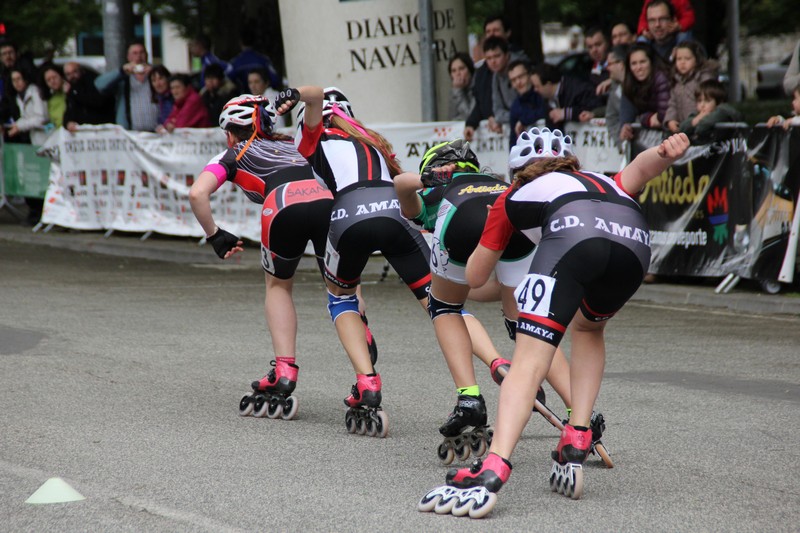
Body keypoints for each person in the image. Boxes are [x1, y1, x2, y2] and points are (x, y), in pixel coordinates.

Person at [420, 128, 690, 515]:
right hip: (633, 245)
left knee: (528, 360)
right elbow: (641, 170)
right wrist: (664, 152)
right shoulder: (597, 180)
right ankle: (577, 433)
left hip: (573, 240)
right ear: (571, 163)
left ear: (516, 171)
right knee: (589, 328)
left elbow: (475, 278)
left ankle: (494, 466)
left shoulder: (512, 194)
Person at [393, 139, 573, 464]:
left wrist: (423, 181)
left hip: (460, 217)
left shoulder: (435, 189)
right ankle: (580, 414)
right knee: (533, 328)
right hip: (512, 215)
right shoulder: (496, 182)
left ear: (433, 167)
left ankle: (469, 398)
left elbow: (399, 186)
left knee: (444, 307)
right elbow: (493, 285)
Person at [275, 86, 432, 438]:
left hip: (347, 214)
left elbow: (315, 96)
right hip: (393, 212)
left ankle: (367, 382)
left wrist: (295, 94)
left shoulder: (314, 138)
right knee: (444, 308)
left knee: (339, 297)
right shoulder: (372, 140)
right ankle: (495, 367)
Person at [189, 95, 334, 419]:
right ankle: (366, 370)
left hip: (282, 203)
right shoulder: (293, 142)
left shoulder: (234, 152)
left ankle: (285, 371)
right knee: (344, 288)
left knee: (278, 286)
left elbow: (197, 193)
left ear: (230, 133)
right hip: (327, 200)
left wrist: (215, 235)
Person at [464, 15, 523, 142]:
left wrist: (500, 117)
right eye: (488, 32)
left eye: (496, 30)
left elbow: (525, 105)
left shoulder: (520, 66)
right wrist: (471, 123)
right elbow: (482, 103)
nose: (492, 35)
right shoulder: (484, 72)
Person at [4, 67, 48, 225]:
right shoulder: (18, 96)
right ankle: (34, 211)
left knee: (40, 177)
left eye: (19, 79)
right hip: (28, 139)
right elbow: (25, 117)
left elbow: (41, 118)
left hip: (40, 139)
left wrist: (20, 126)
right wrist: (16, 125)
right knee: (30, 178)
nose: (17, 83)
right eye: (14, 80)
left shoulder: (34, 92)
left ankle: (42, 211)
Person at [95, 42, 159, 131]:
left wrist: (155, 71)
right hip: (131, 132)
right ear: (128, 57)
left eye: (141, 52)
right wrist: (122, 71)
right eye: (135, 53)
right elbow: (99, 85)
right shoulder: (123, 78)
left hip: (157, 131)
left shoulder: (155, 75)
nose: (139, 56)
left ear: (146, 55)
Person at [664, 40, 718, 133]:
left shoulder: (703, 78)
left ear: (696, 60)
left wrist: (700, 117)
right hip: (683, 128)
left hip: (701, 127)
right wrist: (670, 120)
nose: (682, 62)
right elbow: (672, 104)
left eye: (687, 59)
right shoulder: (676, 80)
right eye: (679, 59)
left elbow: (709, 102)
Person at [531, 63, 602, 130]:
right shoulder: (546, 98)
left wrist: (566, 114)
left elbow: (594, 108)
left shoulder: (577, 89)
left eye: (537, 86)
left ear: (548, 84)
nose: (535, 90)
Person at [622, 43, 670, 131]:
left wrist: (642, 119)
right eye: (634, 63)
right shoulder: (630, 83)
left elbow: (663, 117)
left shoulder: (661, 78)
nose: (638, 67)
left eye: (642, 62)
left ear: (651, 62)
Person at [62, 62, 115, 132]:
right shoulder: (72, 89)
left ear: (81, 71)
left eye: (74, 72)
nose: (72, 76)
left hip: (101, 128)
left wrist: (74, 93)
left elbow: (96, 102)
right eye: (68, 74)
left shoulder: (92, 82)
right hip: (84, 130)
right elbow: (69, 110)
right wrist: (67, 123)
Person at [604, 45, 637, 148]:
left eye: (609, 64)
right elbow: (611, 117)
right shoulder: (614, 89)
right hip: (630, 147)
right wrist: (621, 141)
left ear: (621, 64)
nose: (607, 68)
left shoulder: (639, 84)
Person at [507, 59, 547, 145]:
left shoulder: (542, 93)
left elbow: (548, 110)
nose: (518, 82)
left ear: (529, 75)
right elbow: (513, 140)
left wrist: (524, 120)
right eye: (513, 80)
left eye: (521, 77)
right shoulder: (515, 106)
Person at [230, 27, 281, 92]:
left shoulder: (234, 62)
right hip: (262, 94)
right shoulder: (263, 59)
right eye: (250, 82)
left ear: (240, 42)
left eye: (256, 81)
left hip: (243, 95)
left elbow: (229, 82)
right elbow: (275, 80)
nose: (253, 86)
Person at [448, 52, 475, 121]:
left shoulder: (478, 87)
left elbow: (470, 116)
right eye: (453, 71)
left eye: (461, 69)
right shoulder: (455, 90)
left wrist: (458, 91)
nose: (458, 73)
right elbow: (451, 118)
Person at [39, 63, 67, 130]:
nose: (52, 81)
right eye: (48, 80)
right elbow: (51, 122)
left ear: (61, 76)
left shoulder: (70, 92)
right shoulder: (49, 99)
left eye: (54, 77)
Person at [584, 27, 610, 93]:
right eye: (590, 47)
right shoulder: (595, 67)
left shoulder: (619, 63)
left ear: (608, 43)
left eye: (598, 45)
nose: (594, 50)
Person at [148, 65, 173, 129]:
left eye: (160, 78)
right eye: (154, 80)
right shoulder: (159, 98)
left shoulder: (174, 97)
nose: (158, 84)